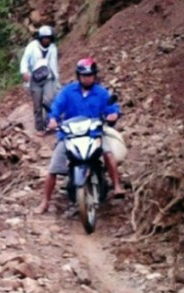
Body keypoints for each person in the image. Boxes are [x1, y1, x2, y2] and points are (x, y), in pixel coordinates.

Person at [35, 58, 126, 214]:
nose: (87, 78)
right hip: (69, 135)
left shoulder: (101, 93)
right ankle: (45, 202)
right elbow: (56, 108)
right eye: (84, 76)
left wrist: (113, 115)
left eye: (90, 75)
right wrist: (52, 119)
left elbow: (112, 108)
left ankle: (117, 185)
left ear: (94, 76)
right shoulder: (68, 91)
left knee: (108, 153)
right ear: (78, 76)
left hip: (94, 133)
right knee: (53, 167)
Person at [20, 25, 59, 137]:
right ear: (40, 38)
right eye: (44, 38)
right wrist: (24, 72)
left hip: (48, 78)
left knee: (49, 100)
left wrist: (56, 80)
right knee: (37, 104)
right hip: (35, 79)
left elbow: (54, 65)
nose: (46, 40)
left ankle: (49, 122)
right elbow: (24, 60)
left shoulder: (52, 48)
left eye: (48, 38)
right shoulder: (32, 47)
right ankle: (39, 127)